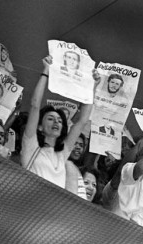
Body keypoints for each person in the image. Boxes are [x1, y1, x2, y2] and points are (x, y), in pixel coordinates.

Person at [21, 56, 96, 194]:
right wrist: (46, 71)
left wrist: (92, 87)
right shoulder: (31, 146)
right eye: (50, 119)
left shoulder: (62, 153)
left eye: (60, 121)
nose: (56, 122)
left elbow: (82, 120)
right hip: (29, 209)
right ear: (40, 127)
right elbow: (35, 105)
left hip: (52, 213)